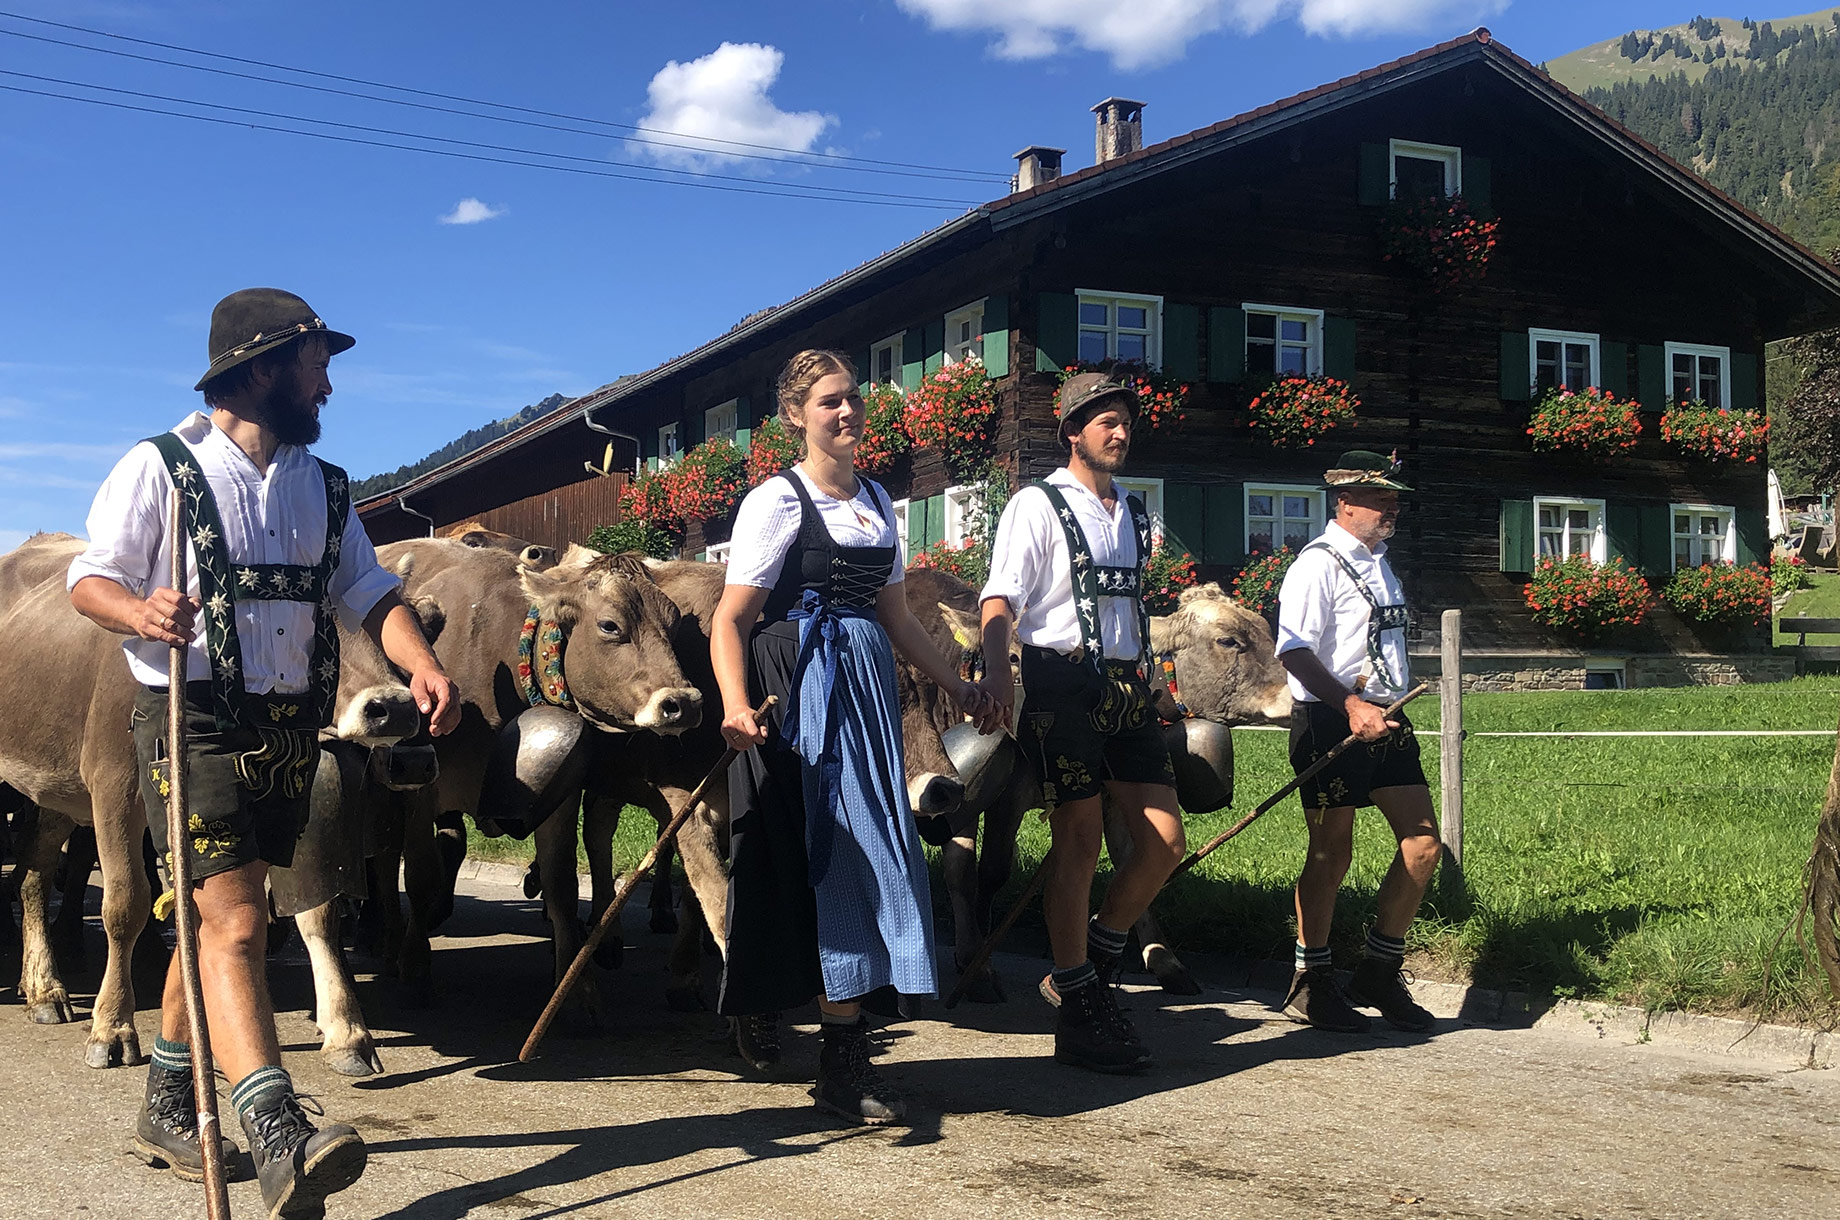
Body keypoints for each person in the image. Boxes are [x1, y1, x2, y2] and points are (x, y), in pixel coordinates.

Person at [68, 288, 460, 1218]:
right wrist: (139, 610)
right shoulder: (159, 467)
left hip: (288, 730)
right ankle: (278, 1129)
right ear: (261, 368)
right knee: (238, 921)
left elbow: (367, 590)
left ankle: (170, 1103)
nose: (328, 384)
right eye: (316, 363)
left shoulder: (325, 486)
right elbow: (90, 577)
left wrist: (422, 662)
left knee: (218, 923)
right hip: (191, 717)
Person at [709, 349, 989, 1125]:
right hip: (800, 685)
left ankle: (845, 1047)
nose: (847, 412)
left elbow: (896, 618)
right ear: (795, 415)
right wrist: (734, 704)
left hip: (864, 688)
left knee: (875, 851)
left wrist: (957, 682)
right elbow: (730, 619)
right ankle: (829, 1052)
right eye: (830, 401)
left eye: (854, 398)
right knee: (827, 856)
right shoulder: (776, 500)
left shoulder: (873, 500)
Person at [975, 373, 1186, 1074]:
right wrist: (998, 674)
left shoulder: (1134, 512)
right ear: (1072, 432)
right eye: (1105, 423)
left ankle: (1092, 958)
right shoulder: (1036, 505)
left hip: (1126, 687)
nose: (1120, 433)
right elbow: (1000, 599)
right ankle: (1078, 1005)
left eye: (1125, 422)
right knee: (1080, 839)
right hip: (1060, 683)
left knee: (1164, 842)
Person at [1273, 449, 1440, 1034]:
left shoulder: (1382, 563)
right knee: (1331, 853)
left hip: (1389, 720)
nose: (1391, 508)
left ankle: (1378, 971)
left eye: (1395, 499)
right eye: (1379, 498)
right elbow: (1293, 650)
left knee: (1424, 846)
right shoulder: (1315, 565)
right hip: (1328, 721)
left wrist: (1378, 705)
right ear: (1344, 502)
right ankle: (1310, 981)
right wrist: (1349, 705)